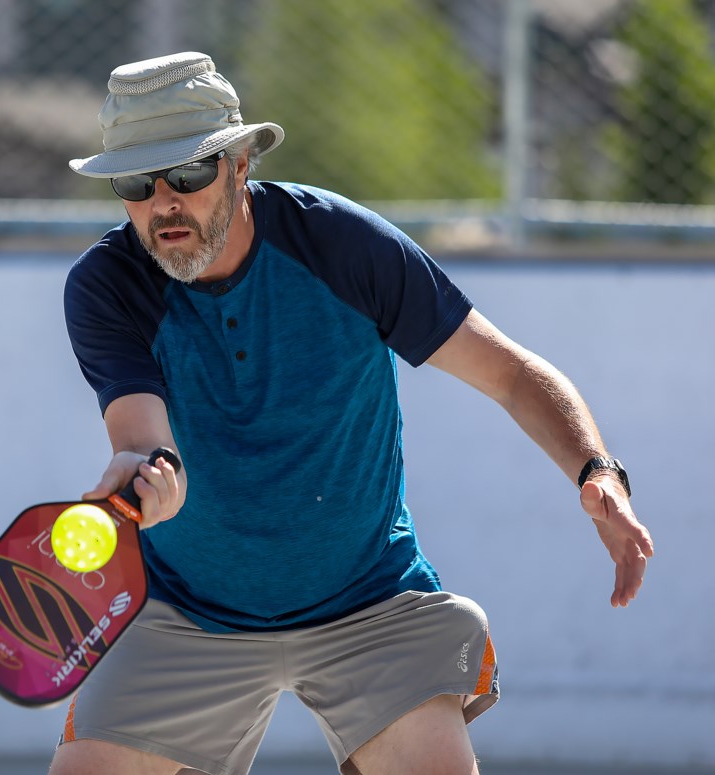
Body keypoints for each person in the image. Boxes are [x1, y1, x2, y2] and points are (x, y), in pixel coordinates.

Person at [48, 52, 654, 775]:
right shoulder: (106, 286)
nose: (163, 203)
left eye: (186, 174)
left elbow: (513, 373)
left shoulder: (343, 246)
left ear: (241, 165)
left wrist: (596, 469)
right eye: (135, 183)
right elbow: (145, 441)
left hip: (371, 604)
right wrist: (147, 476)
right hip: (185, 612)